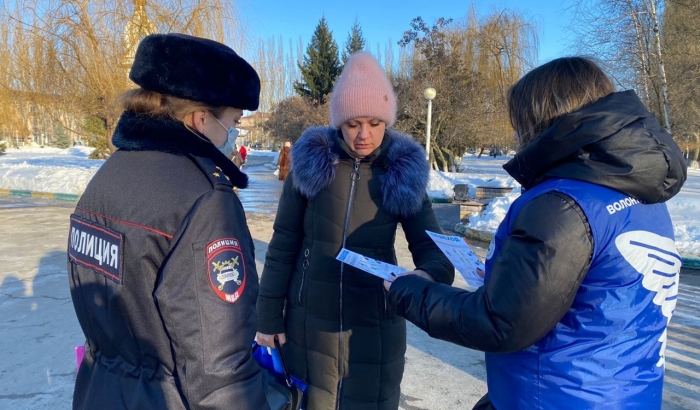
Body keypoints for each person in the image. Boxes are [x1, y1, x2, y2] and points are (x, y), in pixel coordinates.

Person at [385, 57, 687, 410]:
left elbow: (500, 322)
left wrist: (409, 291)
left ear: (540, 118)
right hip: (624, 392)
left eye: (519, 123)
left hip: (557, 396)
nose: (517, 137)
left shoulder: (562, 206)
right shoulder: (640, 191)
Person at [66, 33, 269, 410]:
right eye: (234, 121)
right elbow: (219, 364)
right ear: (201, 118)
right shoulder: (205, 199)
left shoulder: (108, 176)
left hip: (100, 392)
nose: (235, 133)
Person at [255, 52, 455, 410]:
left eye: (375, 123)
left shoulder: (402, 172)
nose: (364, 135)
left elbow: (435, 252)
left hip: (374, 328)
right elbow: (283, 244)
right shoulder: (311, 165)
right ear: (339, 122)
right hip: (308, 326)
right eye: (353, 123)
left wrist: (423, 277)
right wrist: (268, 316)